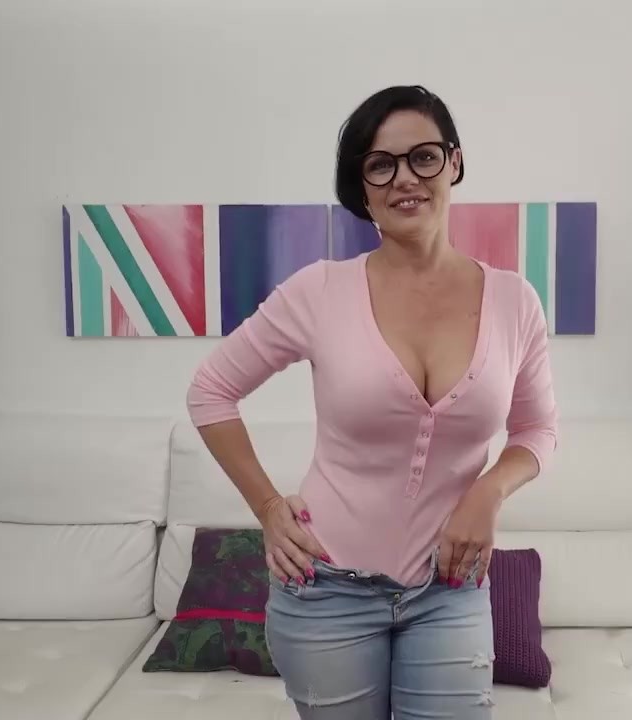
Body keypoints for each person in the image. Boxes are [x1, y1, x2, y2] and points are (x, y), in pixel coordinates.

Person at [186, 85, 558, 719]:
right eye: (380, 165)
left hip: (450, 591)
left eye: (423, 157)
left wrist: (487, 492)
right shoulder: (318, 292)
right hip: (324, 590)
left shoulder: (514, 301)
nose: (404, 178)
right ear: (362, 187)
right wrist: (269, 507)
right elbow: (210, 391)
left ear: (455, 162)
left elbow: (537, 430)